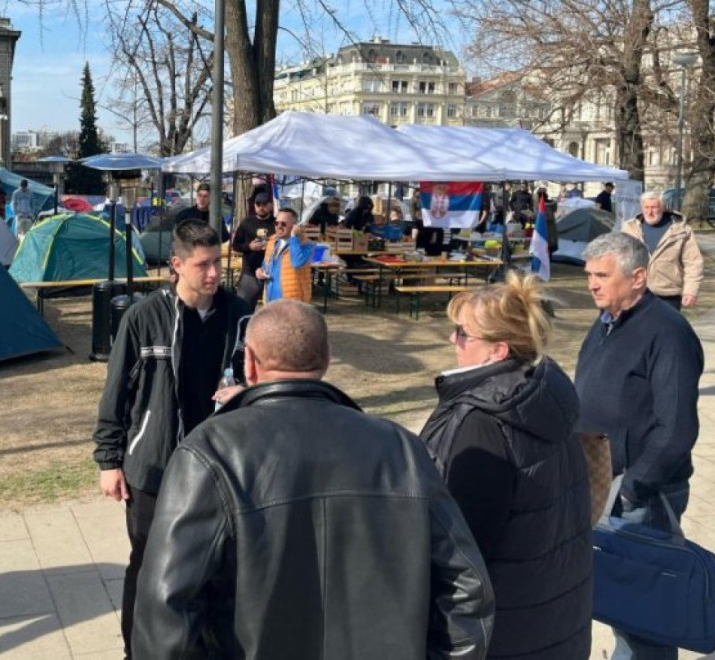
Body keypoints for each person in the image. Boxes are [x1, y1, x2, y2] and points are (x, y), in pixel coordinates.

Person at [132, 300, 495, 659]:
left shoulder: (209, 451)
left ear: (250, 363)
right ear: (327, 358)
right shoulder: (401, 448)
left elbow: (164, 614)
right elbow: (466, 587)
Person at [93, 220, 249, 660]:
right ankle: (135, 650)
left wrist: (245, 390)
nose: (214, 273)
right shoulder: (143, 318)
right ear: (176, 265)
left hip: (220, 467)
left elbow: (261, 378)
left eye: (218, 262)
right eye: (203, 265)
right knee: (147, 566)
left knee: (218, 568)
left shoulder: (239, 315)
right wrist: (109, 461)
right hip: (154, 468)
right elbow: (116, 393)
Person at [419, 272, 592, 659]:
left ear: (497, 350)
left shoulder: (484, 421)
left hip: (507, 631)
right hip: (552, 617)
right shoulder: (542, 393)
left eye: (463, 333)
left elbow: (461, 549)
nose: (452, 339)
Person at [574, 233, 703, 660]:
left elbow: (676, 427)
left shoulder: (668, 332)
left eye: (602, 275)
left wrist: (634, 487)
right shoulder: (606, 320)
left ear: (638, 277)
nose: (592, 284)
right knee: (618, 602)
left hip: (641, 493)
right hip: (600, 481)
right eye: (589, 275)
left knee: (644, 612)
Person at [621, 190, 703, 310]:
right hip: (637, 293)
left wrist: (690, 291)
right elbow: (620, 259)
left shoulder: (682, 230)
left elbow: (693, 262)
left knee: (667, 323)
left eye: (654, 207)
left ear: (663, 208)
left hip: (669, 294)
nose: (650, 212)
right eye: (646, 207)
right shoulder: (629, 228)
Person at [256, 208, 313, 303]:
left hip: (292, 302)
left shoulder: (306, 245)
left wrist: (294, 237)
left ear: (294, 226)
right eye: (276, 223)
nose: (279, 226)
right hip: (270, 300)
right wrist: (260, 273)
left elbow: (296, 263)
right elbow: (265, 266)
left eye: (283, 224)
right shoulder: (272, 242)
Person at [231, 191, 276, 311]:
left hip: (271, 271)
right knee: (243, 307)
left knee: (273, 309)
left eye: (264, 204)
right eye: (258, 204)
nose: (261, 207)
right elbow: (235, 246)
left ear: (270, 205)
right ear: (254, 205)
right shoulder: (247, 222)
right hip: (250, 270)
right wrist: (249, 247)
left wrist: (270, 245)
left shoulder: (276, 223)